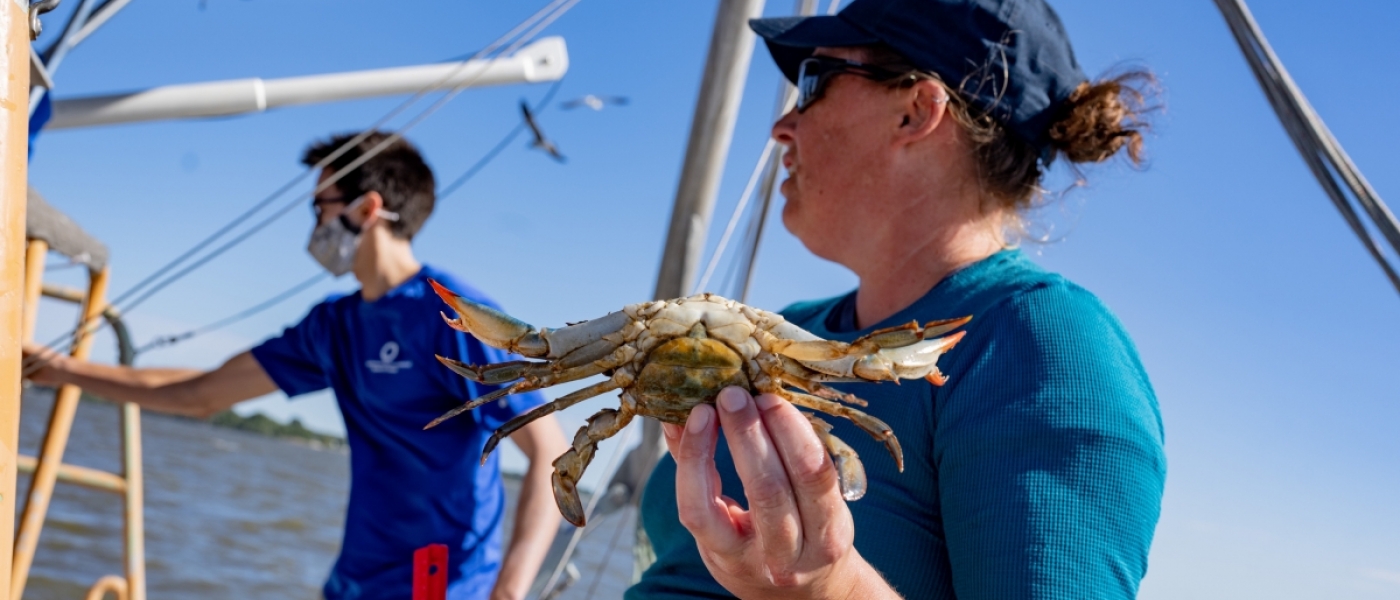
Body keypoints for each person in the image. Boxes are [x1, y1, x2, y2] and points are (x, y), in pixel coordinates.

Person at [629, 0, 1166, 598]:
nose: (782, 126)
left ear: (916, 112)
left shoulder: (1044, 345)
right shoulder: (793, 329)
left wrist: (830, 586)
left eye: (812, 82)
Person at [25, 132, 568, 600]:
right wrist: (64, 370)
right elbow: (200, 393)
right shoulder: (331, 325)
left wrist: (510, 589)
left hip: (440, 585)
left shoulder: (455, 317)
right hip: (353, 581)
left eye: (321, 207)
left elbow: (548, 448)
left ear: (367, 209)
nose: (314, 224)